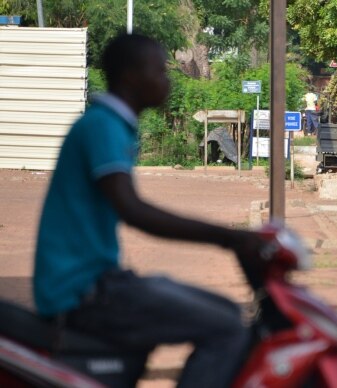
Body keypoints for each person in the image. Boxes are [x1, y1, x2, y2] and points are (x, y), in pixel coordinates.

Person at [33, 34, 269, 388]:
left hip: (101, 280)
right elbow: (132, 209)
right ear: (131, 76)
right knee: (227, 328)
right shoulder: (103, 126)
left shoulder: (112, 124)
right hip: (83, 292)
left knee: (230, 313)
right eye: (158, 70)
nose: (167, 80)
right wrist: (229, 237)